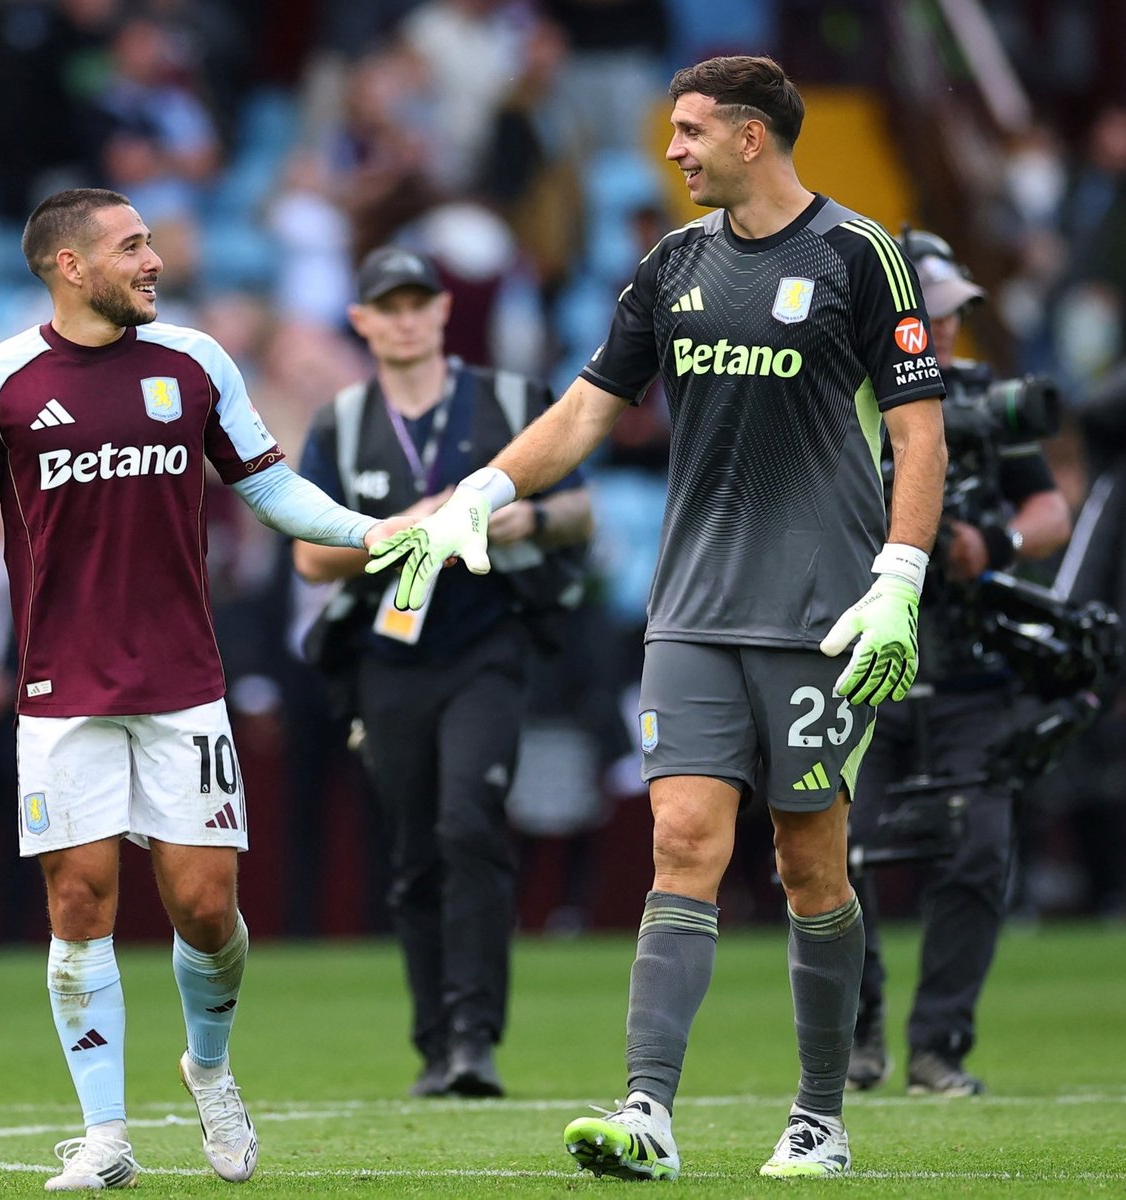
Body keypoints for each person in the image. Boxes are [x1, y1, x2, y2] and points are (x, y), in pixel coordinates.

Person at [367, 56, 948, 1178]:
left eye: (689, 131)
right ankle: (647, 1113)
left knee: (809, 865)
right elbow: (587, 411)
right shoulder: (670, 264)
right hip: (688, 611)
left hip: (822, 616)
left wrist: (900, 579)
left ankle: (820, 1117)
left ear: (750, 136)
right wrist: (478, 494)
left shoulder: (857, 255)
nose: (671, 150)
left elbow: (919, 434)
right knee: (680, 841)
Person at [0, 187, 410, 1192]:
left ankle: (209, 1069)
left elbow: (268, 487)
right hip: (60, 690)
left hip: (183, 684)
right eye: (131, 246)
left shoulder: (194, 362)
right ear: (69, 265)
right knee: (78, 903)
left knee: (205, 909)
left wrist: (373, 532)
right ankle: (105, 1137)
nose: (153, 262)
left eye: (150, 243)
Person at [292, 246, 593, 1098]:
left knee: (469, 822)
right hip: (388, 656)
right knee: (416, 848)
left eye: (417, 303)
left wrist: (523, 520)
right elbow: (311, 559)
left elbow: (581, 508)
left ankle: (473, 1037)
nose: (405, 320)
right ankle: (435, 1042)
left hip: (487, 638)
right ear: (361, 321)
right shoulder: (342, 422)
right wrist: (406, 525)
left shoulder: (509, 400)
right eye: (387, 307)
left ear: (442, 310)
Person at [845, 231, 1072, 1096]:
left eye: (951, 314)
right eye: (930, 313)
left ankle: (939, 1046)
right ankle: (856, 1032)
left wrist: (996, 544)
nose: (944, 328)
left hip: (971, 661)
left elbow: (1048, 508)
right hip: (862, 663)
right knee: (839, 853)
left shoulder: (982, 398)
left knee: (978, 850)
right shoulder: (839, 396)